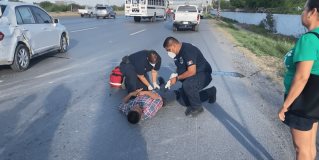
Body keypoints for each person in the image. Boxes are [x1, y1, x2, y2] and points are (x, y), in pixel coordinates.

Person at [278, 0, 319, 159]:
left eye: (304, 10)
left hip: (302, 101)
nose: (301, 14)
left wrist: (285, 105)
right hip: (314, 101)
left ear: (312, 12)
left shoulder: (309, 39)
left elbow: (302, 77)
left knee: (301, 149)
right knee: (309, 145)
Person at [163, 37, 216, 117]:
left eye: (168, 50)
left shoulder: (187, 50)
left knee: (188, 85)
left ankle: (197, 108)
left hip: (204, 74)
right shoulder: (177, 55)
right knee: (184, 101)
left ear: (174, 46)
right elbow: (181, 69)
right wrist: (174, 76)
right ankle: (210, 92)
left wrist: (177, 78)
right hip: (194, 76)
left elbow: (192, 71)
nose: (168, 52)